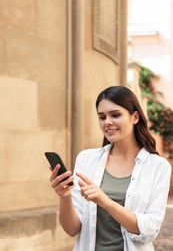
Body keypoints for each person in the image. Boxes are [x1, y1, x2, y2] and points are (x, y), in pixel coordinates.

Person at [50, 86, 172, 251]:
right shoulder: (86, 159)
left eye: (115, 115)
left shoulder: (158, 166)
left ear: (135, 117)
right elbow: (72, 229)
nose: (107, 122)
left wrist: (106, 202)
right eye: (102, 117)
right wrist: (64, 196)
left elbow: (150, 229)